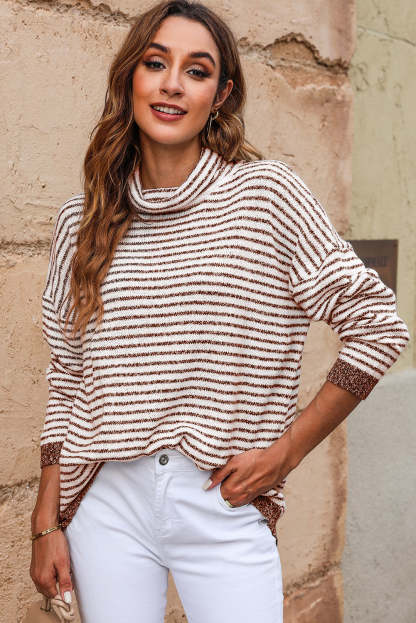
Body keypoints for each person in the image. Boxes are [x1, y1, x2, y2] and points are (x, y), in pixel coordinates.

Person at [29, 1, 410, 622]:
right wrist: (47, 522)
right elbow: (69, 378)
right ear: (130, 77)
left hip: (221, 503)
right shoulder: (82, 222)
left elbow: (379, 327)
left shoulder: (267, 195)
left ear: (221, 94)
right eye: (156, 63)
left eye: (197, 70)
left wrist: (287, 452)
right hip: (105, 504)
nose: (172, 84)